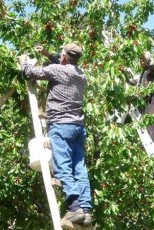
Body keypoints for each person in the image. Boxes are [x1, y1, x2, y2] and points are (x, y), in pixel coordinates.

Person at [18, 43, 92, 225]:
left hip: (61, 125)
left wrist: (23, 62)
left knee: (63, 165)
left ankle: (74, 208)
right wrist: (47, 54)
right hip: (78, 127)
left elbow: (30, 73)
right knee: (79, 168)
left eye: (61, 53)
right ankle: (86, 210)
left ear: (65, 57)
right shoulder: (81, 74)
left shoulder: (57, 70)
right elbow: (63, 64)